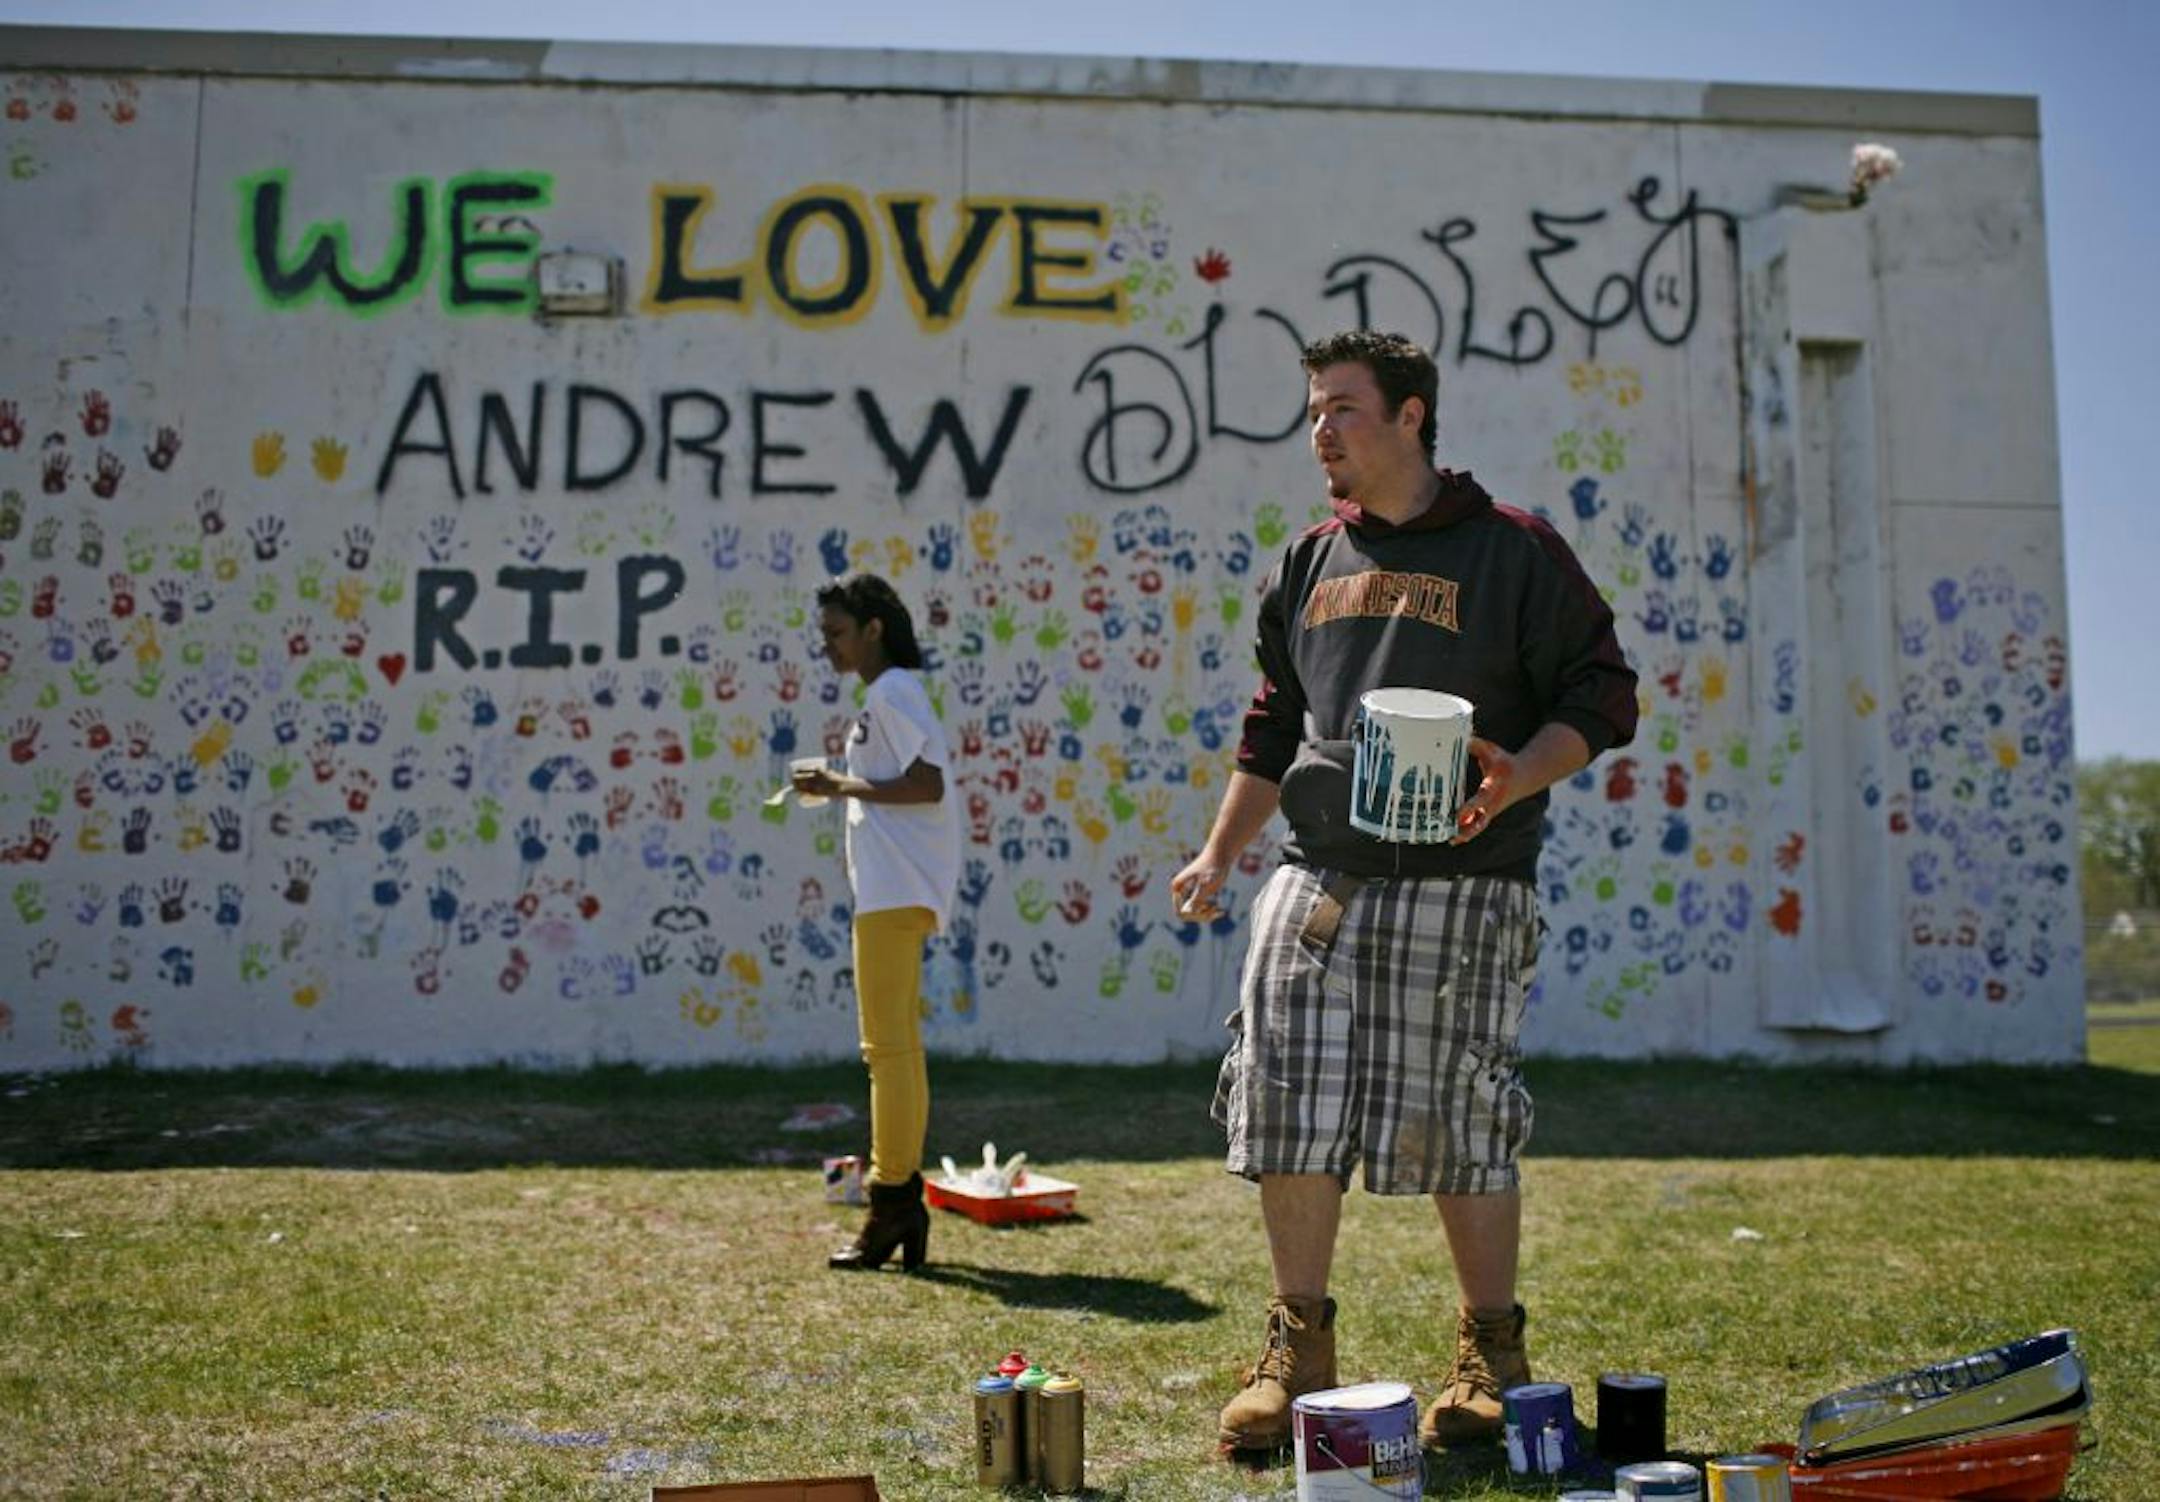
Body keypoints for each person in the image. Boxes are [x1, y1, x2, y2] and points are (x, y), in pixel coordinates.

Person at [1169, 330, 1638, 1453]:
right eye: (1314, 410)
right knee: (1282, 1091)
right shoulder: (1307, 562)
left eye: (1344, 408)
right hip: (1317, 869)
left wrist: (1524, 769)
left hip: (1466, 876)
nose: (1321, 429)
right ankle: (1298, 1346)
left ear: (1412, 415)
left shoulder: (1514, 550)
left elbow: (1605, 692)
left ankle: (1491, 1349)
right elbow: (1273, 727)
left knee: (1458, 1113)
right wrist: (1220, 851)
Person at [794, 574, 961, 1272]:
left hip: (896, 890)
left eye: (837, 632)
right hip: (893, 889)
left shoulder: (893, 691)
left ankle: (892, 1201)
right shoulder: (891, 694)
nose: (826, 646)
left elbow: (928, 784)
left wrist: (839, 786)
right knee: (894, 1051)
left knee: (887, 1053)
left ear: (873, 629)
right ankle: (900, 1204)